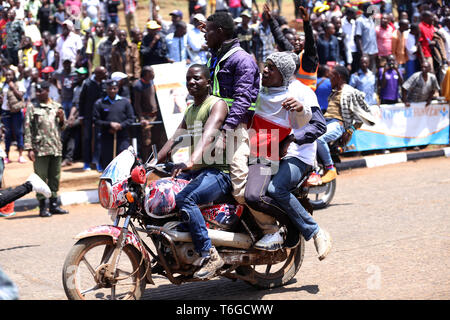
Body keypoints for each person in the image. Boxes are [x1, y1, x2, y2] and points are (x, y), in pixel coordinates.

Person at [155, 64, 228, 280]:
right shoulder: (191, 109)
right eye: (188, 79)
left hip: (219, 172)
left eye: (196, 78)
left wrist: (191, 160)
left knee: (185, 198)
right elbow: (175, 137)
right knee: (161, 196)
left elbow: (208, 134)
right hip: (198, 171)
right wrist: (152, 161)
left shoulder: (217, 105)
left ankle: (209, 253)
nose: (192, 82)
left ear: (207, 82)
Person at [201, 11, 260, 203]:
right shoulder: (216, 58)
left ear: (219, 32)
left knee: (239, 188)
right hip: (215, 127)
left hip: (235, 129)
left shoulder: (242, 60)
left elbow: (242, 99)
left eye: (208, 31)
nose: (204, 34)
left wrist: (225, 133)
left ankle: (269, 229)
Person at [317, 65, 375, 183]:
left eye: (331, 77)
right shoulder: (334, 92)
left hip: (337, 124)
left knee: (319, 139)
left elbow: (366, 115)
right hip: (325, 123)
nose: (329, 80)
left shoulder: (350, 92)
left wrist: (350, 130)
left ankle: (330, 168)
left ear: (339, 77)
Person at [24, 81, 69, 217]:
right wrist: (29, 148)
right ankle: (43, 206)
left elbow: (63, 127)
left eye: (40, 91)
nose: (37, 94)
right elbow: (27, 129)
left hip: (55, 147)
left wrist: (61, 118)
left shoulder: (57, 106)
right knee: (40, 178)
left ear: (47, 91)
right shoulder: (32, 107)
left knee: (55, 177)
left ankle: (54, 205)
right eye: (36, 91)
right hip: (40, 148)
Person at [93, 79, 135, 170]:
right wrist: (110, 124)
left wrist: (120, 126)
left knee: (123, 162)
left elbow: (131, 118)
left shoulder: (125, 102)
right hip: (107, 137)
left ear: (118, 89)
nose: (112, 91)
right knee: (108, 163)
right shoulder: (100, 103)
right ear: (106, 89)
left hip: (122, 137)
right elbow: (96, 120)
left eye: (114, 88)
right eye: (110, 89)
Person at [78, 66, 107, 171]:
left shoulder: (105, 83)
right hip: (88, 115)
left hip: (101, 116)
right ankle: (86, 162)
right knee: (87, 138)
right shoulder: (87, 83)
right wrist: (81, 115)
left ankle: (97, 162)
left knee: (99, 139)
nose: (106, 74)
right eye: (103, 73)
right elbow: (81, 100)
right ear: (97, 74)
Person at [133, 66, 158, 161]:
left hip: (155, 115)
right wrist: (141, 118)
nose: (153, 74)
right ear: (146, 73)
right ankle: (146, 161)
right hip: (146, 117)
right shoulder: (138, 85)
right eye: (151, 72)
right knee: (146, 141)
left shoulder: (152, 82)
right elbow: (137, 104)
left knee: (156, 139)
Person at [1, 69, 27, 164]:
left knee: (18, 132)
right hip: (5, 111)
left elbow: (21, 96)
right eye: (6, 75)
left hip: (16, 111)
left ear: (14, 75)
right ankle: (7, 156)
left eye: (10, 75)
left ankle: (20, 156)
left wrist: (13, 87)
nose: (8, 77)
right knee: (7, 134)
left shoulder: (19, 84)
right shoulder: (3, 85)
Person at [355, 2, 378, 72]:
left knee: (371, 73)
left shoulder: (371, 19)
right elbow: (358, 37)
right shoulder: (360, 21)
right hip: (365, 52)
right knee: (364, 72)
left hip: (373, 52)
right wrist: (362, 53)